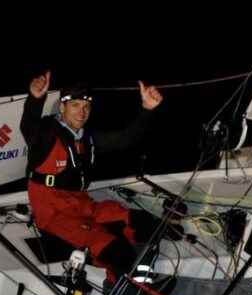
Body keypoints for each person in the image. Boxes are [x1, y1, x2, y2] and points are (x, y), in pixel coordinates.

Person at [20, 70, 164, 280]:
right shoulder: (46, 134)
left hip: (83, 206)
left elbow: (125, 139)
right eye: (75, 105)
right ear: (62, 107)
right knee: (115, 251)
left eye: (86, 106)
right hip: (55, 216)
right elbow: (28, 126)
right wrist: (35, 98)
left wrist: (147, 110)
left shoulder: (87, 138)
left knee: (146, 223)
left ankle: (145, 279)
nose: (82, 111)